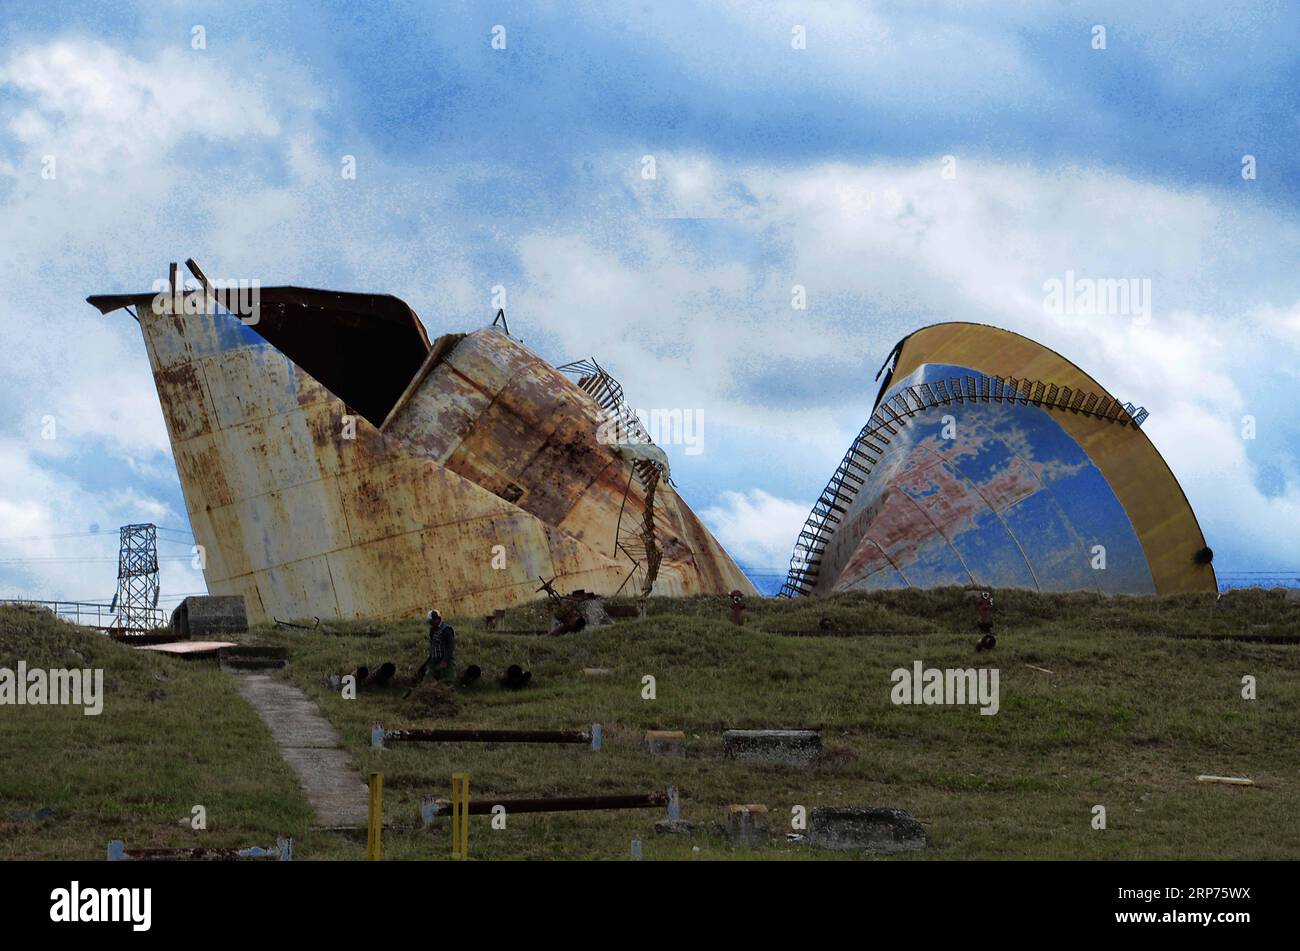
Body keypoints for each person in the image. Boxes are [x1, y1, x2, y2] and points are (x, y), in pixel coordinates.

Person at [417, 609, 456, 684]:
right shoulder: (432, 631)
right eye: (430, 622)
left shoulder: (446, 629)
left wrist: (445, 660)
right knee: (427, 683)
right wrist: (425, 664)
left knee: (446, 684)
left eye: (431, 621)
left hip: (445, 662)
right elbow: (433, 648)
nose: (430, 623)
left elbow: (450, 647)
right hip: (434, 662)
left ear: (437, 619)